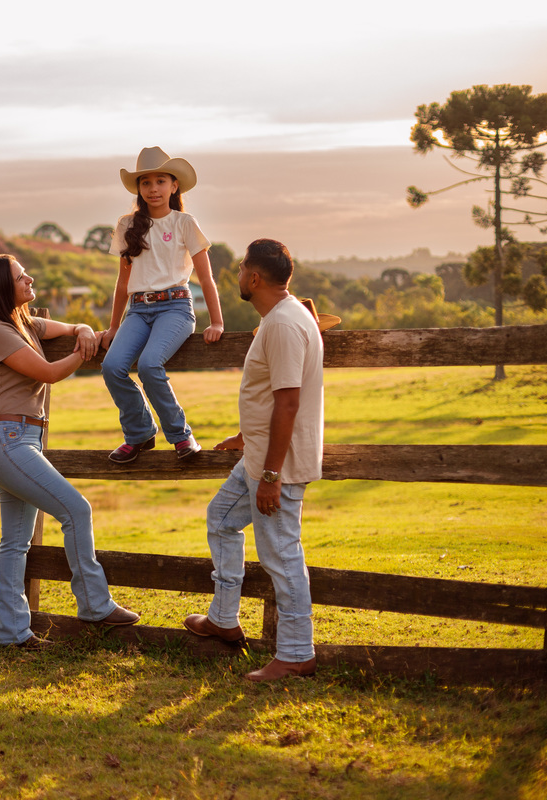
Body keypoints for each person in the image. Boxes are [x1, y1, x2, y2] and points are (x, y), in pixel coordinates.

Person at [0, 253, 140, 648]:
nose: (30, 279)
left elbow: (69, 326)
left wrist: (83, 328)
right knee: (76, 509)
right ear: (3, 288)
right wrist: (88, 350)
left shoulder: (23, 324)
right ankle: (94, 604)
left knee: (16, 542)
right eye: (20, 277)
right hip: (8, 439)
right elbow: (48, 373)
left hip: (21, 439)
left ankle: (11, 634)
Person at [183, 238, 327, 681]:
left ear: (255, 277)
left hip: (273, 468)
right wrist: (246, 436)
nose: (238, 272)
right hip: (258, 458)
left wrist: (270, 475)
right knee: (221, 519)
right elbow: (271, 394)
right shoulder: (279, 319)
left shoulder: (283, 324)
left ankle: (297, 653)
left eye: (243, 266)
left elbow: (288, 402)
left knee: (281, 555)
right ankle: (224, 618)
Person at [101, 146, 225, 463]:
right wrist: (114, 326)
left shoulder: (185, 223)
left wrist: (217, 322)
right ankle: (140, 433)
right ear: (139, 189)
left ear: (174, 185)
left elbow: (206, 278)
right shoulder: (127, 226)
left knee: (149, 365)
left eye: (160, 181)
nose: (153, 189)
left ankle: (182, 437)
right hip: (138, 311)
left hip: (175, 308)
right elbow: (123, 283)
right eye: (146, 183)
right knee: (112, 367)